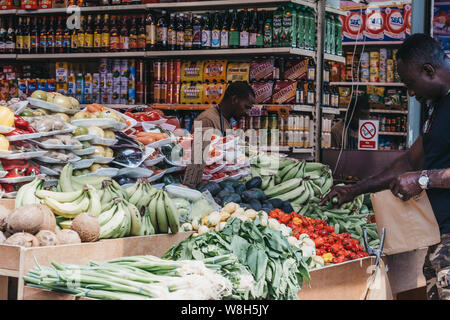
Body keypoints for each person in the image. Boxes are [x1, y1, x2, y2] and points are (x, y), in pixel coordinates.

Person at [321, 33, 450, 300]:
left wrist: (422, 180)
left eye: (410, 83)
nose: (411, 93)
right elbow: (409, 161)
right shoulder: (437, 106)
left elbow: (417, 171)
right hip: (438, 235)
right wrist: (354, 190)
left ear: (428, 70)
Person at [182, 82, 255, 188]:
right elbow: (197, 163)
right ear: (235, 100)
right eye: (246, 107)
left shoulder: (227, 119)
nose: (247, 112)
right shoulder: (206, 120)